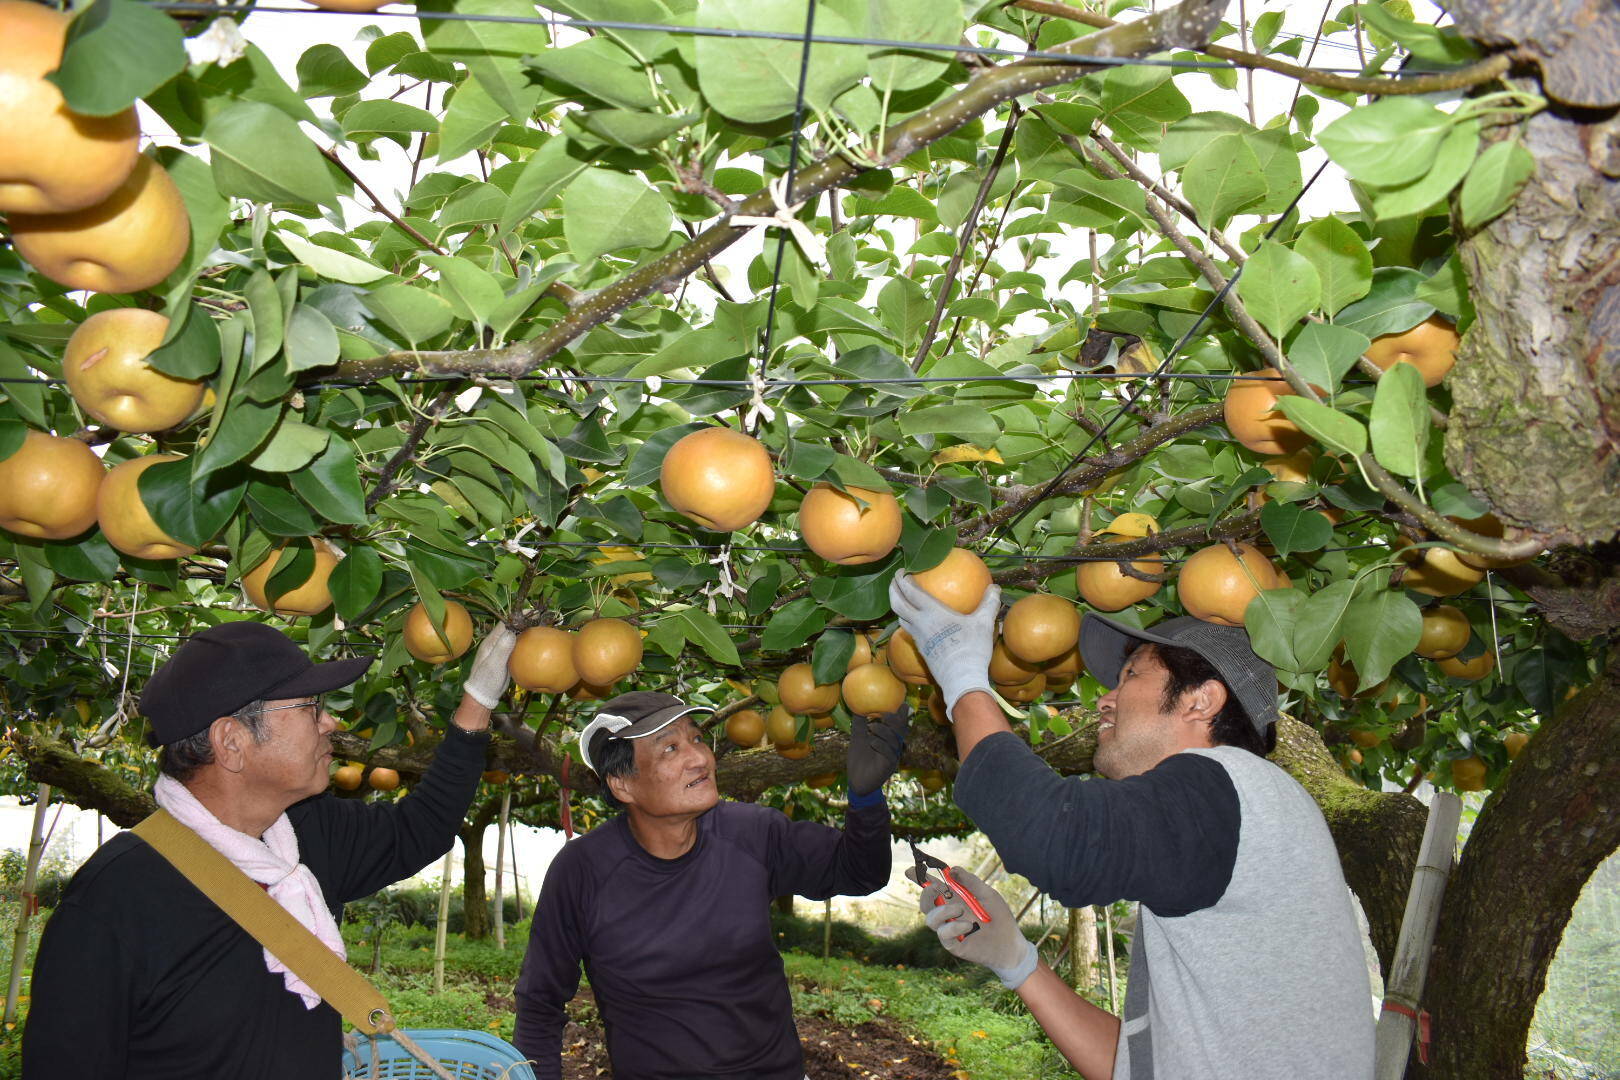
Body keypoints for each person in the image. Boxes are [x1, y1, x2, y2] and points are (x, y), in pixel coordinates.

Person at [889, 572, 1375, 1080]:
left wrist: (962, 676)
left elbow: (1058, 836)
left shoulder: (1233, 784)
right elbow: (1139, 1065)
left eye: (1131, 677)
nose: (1105, 699)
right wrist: (1017, 961)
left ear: (1200, 701)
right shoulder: (1229, 819)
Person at [22, 619, 517, 1078]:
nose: (331, 725)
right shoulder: (117, 899)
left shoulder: (304, 834)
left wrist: (476, 699)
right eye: (310, 709)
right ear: (231, 741)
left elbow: (421, 828)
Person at [513, 690, 906, 1079]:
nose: (700, 758)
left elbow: (860, 872)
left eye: (697, 738)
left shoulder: (753, 833)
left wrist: (866, 798)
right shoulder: (583, 871)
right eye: (669, 748)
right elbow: (540, 1003)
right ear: (622, 785)